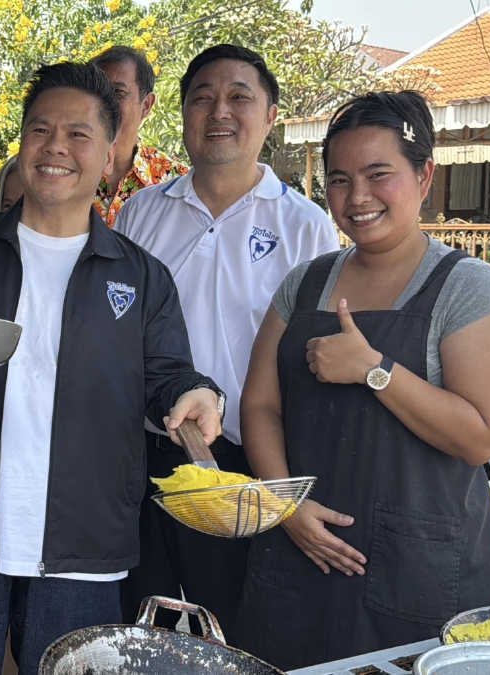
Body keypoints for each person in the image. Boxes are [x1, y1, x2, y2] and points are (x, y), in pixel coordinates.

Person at [0, 62, 224, 675]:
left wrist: (194, 393)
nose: (56, 149)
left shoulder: (140, 276)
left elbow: (164, 375)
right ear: (21, 141)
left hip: (84, 541)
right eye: (40, 131)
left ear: (111, 149)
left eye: (78, 134)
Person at [235, 91, 490, 670]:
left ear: (424, 175)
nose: (357, 197)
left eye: (378, 174)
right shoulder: (304, 283)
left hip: (417, 574)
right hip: (296, 560)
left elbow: (481, 437)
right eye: (339, 179)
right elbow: (260, 404)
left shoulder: (470, 288)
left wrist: (375, 370)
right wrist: (287, 506)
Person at [112, 44, 340, 641]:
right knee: (145, 624)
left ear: (269, 116)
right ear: (183, 115)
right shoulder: (140, 213)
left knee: (236, 629)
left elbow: (314, 357)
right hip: (145, 460)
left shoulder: (305, 226)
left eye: (240, 96)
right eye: (203, 98)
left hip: (249, 468)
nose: (220, 111)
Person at [89, 45, 187, 227]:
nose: (104, 104)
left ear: (146, 105)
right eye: (96, 92)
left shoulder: (178, 182)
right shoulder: (63, 169)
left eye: (118, 92)